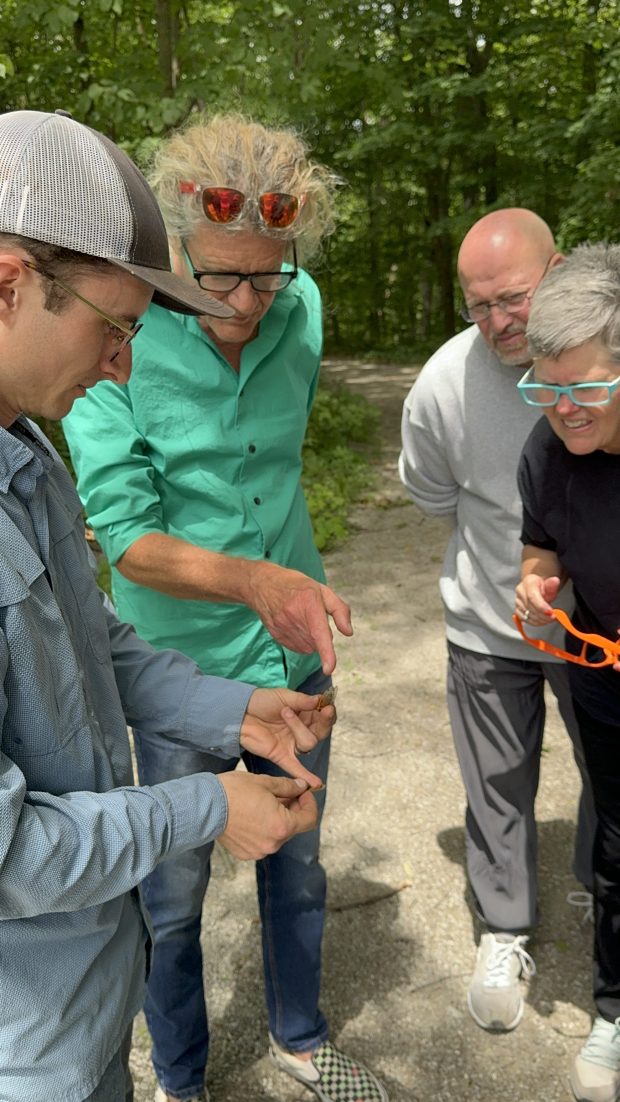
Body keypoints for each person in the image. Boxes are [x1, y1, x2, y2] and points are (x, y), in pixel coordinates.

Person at [0, 107, 338, 1102]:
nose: (124, 367)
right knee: (178, 908)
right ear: (10, 286)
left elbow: (92, 637)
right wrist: (199, 803)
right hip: (28, 1047)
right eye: (113, 329)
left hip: (81, 1007)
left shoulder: (27, 447)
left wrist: (228, 709)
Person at [399, 208, 596, 1033]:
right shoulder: (444, 383)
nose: (496, 321)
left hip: (602, 631)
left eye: (512, 298)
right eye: (477, 304)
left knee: (611, 774)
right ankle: (504, 928)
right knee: (497, 788)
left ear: (556, 270)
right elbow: (434, 496)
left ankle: (599, 884)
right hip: (488, 625)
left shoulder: (606, 357)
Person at [516, 242, 620, 1102]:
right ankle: (615, 1010)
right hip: (605, 672)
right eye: (544, 389)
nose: (562, 409)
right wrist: (534, 589)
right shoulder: (546, 453)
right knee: (617, 846)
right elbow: (541, 551)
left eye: (584, 387)